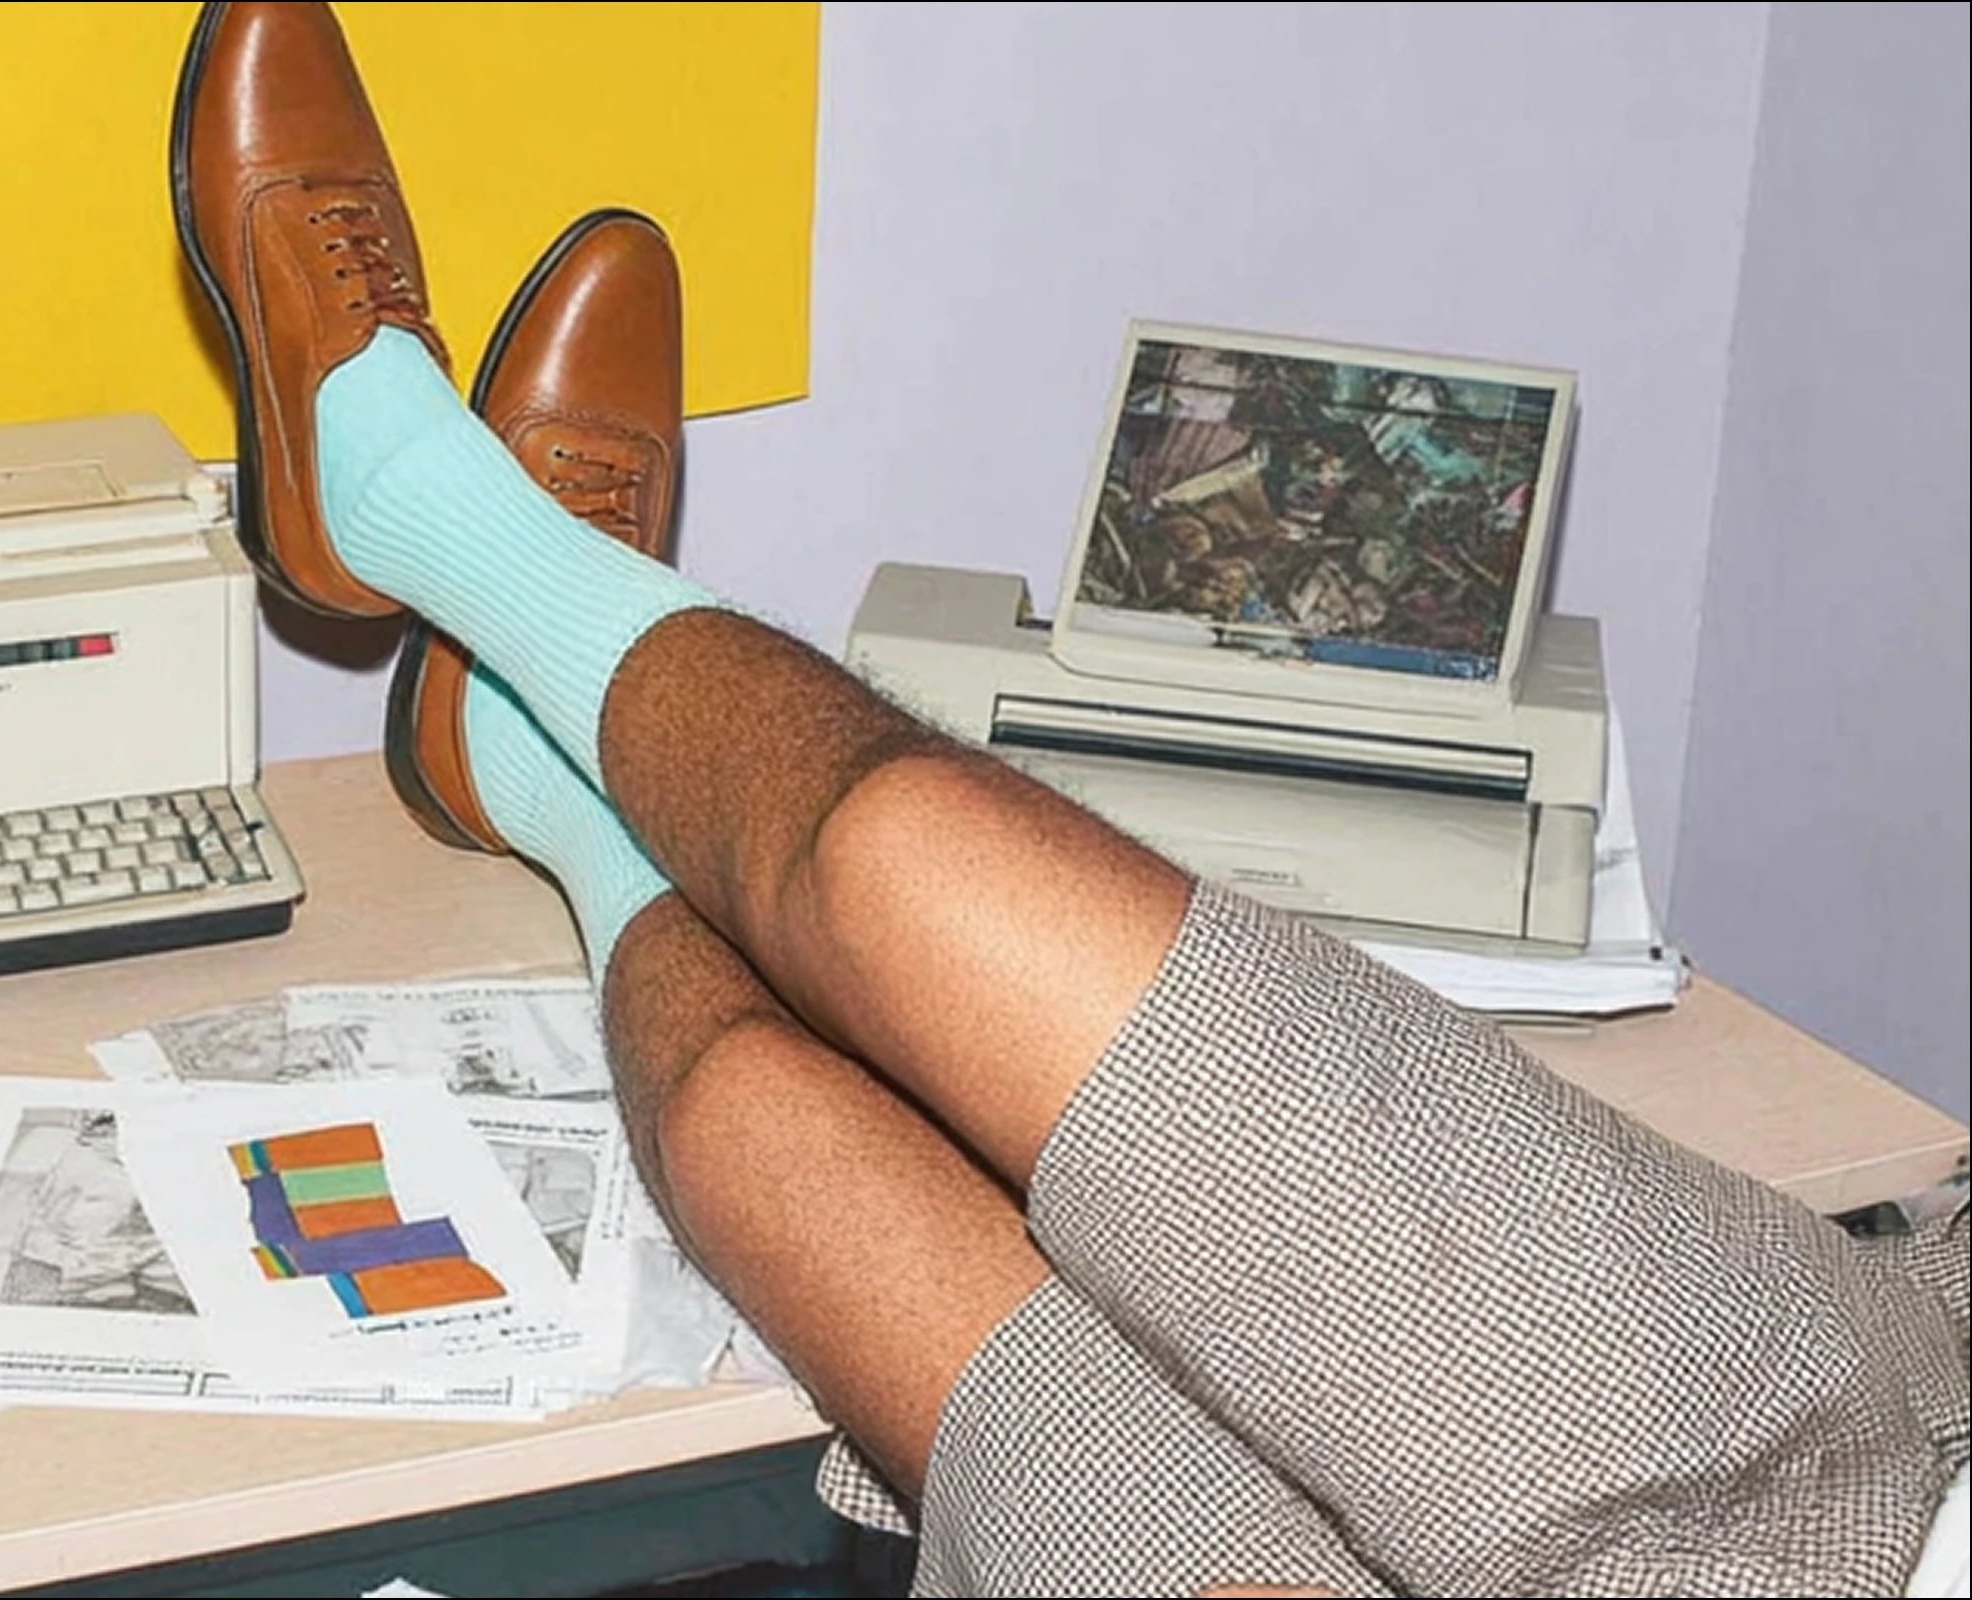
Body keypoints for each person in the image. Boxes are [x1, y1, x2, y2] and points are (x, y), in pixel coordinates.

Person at [164, 6, 1971, 1595]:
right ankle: (431, 520)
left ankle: (520, 734)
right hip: (1898, 1440)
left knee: (759, 1125)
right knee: (901, 857)